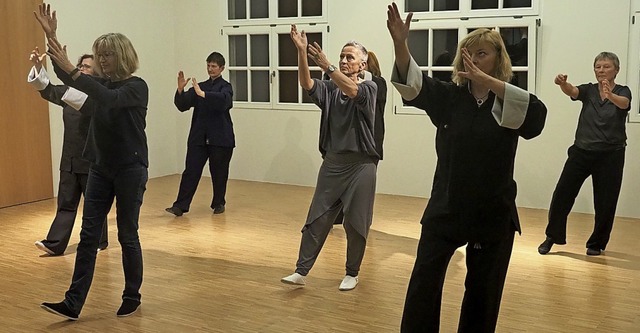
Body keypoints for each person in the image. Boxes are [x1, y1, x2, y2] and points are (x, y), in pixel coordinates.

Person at [386, 2, 547, 332]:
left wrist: (492, 83)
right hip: (445, 210)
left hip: (492, 215)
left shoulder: (509, 103)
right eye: (469, 53)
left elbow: (536, 119)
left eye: (483, 53)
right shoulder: (449, 98)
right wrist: (400, 43)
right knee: (422, 289)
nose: (473, 59)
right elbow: (413, 85)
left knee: (482, 297)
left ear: (499, 59)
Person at [35, 3, 149, 320]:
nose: (100, 60)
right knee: (88, 237)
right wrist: (52, 36)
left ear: (122, 56)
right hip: (99, 167)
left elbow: (108, 99)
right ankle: (73, 302)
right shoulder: (99, 85)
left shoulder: (135, 87)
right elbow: (66, 76)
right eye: (98, 54)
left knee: (128, 235)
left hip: (130, 169)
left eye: (107, 54)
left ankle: (132, 295)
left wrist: (74, 71)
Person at [281, 25, 379, 291]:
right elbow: (306, 84)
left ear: (363, 63)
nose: (344, 61)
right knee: (318, 217)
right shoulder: (331, 90)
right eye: (341, 57)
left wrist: (326, 65)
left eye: (350, 57)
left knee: (356, 223)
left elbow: (353, 92)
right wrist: (302, 52)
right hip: (333, 163)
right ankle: (301, 270)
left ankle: (352, 272)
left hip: (361, 166)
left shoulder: (371, 87)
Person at [538, 52, 631, 256]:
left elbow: (624, 103)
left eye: (606, 66)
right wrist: (562, 83)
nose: (601, 70)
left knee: (605, 202)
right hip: (581, 152)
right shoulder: (589, 90)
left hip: (611, 155)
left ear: (616, 69)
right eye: (598, 66)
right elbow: (572, 91)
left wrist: (610, 95)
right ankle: (552, 237)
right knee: (562, 194)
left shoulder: (623, 91)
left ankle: (596, 244)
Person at [28, 50, 109, 256]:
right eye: (80, 66)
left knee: (94, 204)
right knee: (66, 204)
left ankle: (100, 240)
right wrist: (39, 68)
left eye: (87, 67)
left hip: (91, 159)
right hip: (69, 159)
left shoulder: (100, 96)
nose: (82, 69)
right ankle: (55, 243)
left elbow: (72, 94)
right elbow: (48, 90)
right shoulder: (69, 93)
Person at [165, 52, 234, 216]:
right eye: (208, 65)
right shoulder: (199, 85)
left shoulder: (226, 86)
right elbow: (183, 105)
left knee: (219, 172)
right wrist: (180, 90)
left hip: (220, 138)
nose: (210, 69)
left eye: (214, 66)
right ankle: (180, 206)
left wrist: (204, 95)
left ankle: (219, 203)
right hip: (199, 138)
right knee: (191, 171)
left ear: (222, 68)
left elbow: (225, 101)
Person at [333, 50, 386, 226]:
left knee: (364, 188)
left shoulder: (378, 84)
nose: (347, 63)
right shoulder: (346, 85)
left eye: (354, 61)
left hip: (370, 145)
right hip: (348, 143)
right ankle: (338, 218)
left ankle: (362, 222)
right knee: (340, 185)